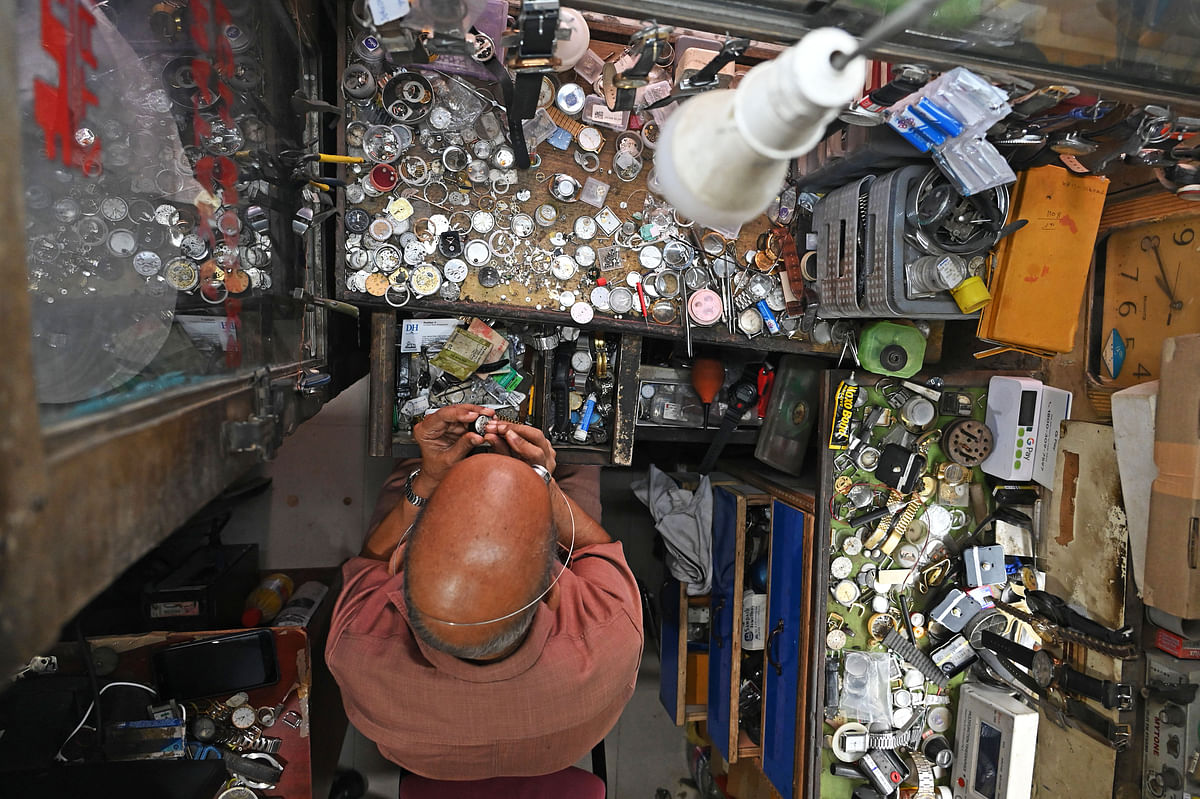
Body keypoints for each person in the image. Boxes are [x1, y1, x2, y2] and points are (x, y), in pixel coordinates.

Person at [326, 404, 644, 780]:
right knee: (583, 454)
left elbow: (370, 563)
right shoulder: (609, 632)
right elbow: (596, 550)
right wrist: (542, 479)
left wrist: (427, 482)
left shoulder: (358, 644)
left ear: (402, 579)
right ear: (552, 584)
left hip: (433, 763)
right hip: (553, 752)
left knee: (406, 470)